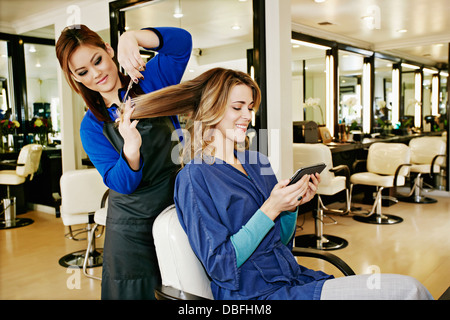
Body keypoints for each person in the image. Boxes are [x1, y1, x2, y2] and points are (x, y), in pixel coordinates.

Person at [130, 67, 433, 300]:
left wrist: (292, 207)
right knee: (408, 291)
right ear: (211, 108)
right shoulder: (195, 178)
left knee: (409, 290)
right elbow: (221, 266)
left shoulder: (256, 161)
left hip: (291, 279)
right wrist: (271, 207)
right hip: (253, 295)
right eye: (238, 107)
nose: (248, 116)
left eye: (250, 107)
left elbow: (280, 239)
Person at [55, 24, 192, 300]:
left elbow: (182, 43)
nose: (96, 74)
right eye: (83, 72)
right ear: (75, 78)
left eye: (98, 60)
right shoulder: (91, 126)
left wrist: (133, 37)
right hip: (131, 228)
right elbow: (119, 183)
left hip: (175, 208)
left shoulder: (152, 81)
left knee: (183, 288)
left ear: (109, 51)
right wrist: (131, 149)